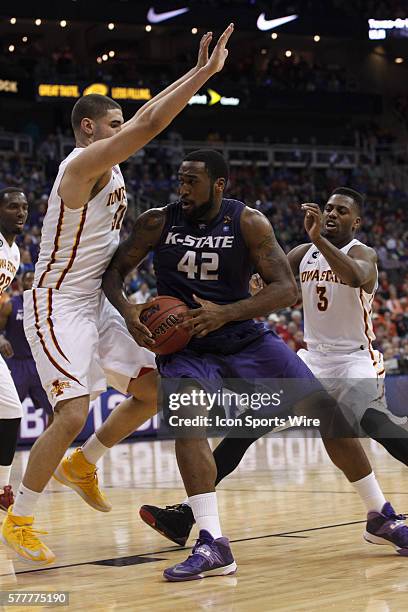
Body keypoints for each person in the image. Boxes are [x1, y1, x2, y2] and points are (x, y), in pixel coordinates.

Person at [1, 25, 235, 565]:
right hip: (58, 301)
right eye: (112, 124)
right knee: (72, 411)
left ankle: (85, 462)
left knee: (155, 389)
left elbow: (146, 111)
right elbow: (152, 121)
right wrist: (204, 73)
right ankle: (20, 518)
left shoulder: (107, 159)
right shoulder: (80, 166)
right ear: (89, 129)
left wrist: (195, 74)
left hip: (99, 299)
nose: (122, 130)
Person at [102, 150, 393, 581]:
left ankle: (380, 514)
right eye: (180, 180)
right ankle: (213, 542)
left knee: (327, 412)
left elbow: (284, 291)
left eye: (192, 183)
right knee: (190, 424)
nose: (182, 190)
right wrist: (127, 310)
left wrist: (225, 312)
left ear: (219, 185)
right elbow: (114, 273)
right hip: (185, 346)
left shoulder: (248, 222)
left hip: (242, 335)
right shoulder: (157, 221)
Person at [0, 188, 29, 511]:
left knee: (11, 409)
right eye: (11, 207)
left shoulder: (15, 252)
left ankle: (1, 488)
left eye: (23, 207)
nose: (20, 213)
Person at [0, 271, 53, 428]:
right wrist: (1, 339)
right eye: (27, 279)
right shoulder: (11, 304)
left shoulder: (45, 305)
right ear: (21, 283)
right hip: (17, 365)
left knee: (56, 411)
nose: (30, 281)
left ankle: (46, 449)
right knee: (7, 413)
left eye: (33, 279)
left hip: (39, 365)